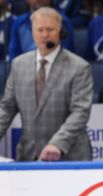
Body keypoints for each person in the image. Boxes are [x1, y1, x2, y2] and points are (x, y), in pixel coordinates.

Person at [0, 6, 91, 160]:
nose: (45, 35)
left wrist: (57, 143)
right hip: (29, 154)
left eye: (50, 29)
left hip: (69, 155)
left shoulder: (79, 67)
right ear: (33, 33)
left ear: (60, 33)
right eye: (40, 30)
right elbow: (7, 108)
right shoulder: (18, 64)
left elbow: (80, 112)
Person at [7, 0, 75, 60]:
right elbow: (14, 55)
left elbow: (66, 56)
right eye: (40, 30)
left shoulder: (63, 22)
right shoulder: (19, 23)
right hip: (25, 69)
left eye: (50, 29)